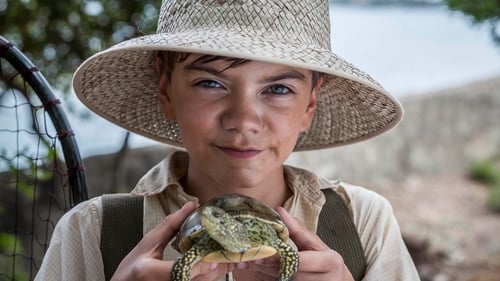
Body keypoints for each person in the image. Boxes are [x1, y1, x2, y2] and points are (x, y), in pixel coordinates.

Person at [35, 0, 420, 280]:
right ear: (167, 91)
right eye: (210, 83)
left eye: (279, 89)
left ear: (310, 104)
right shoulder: (91, 231)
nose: (243, 120)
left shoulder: (362, 222)